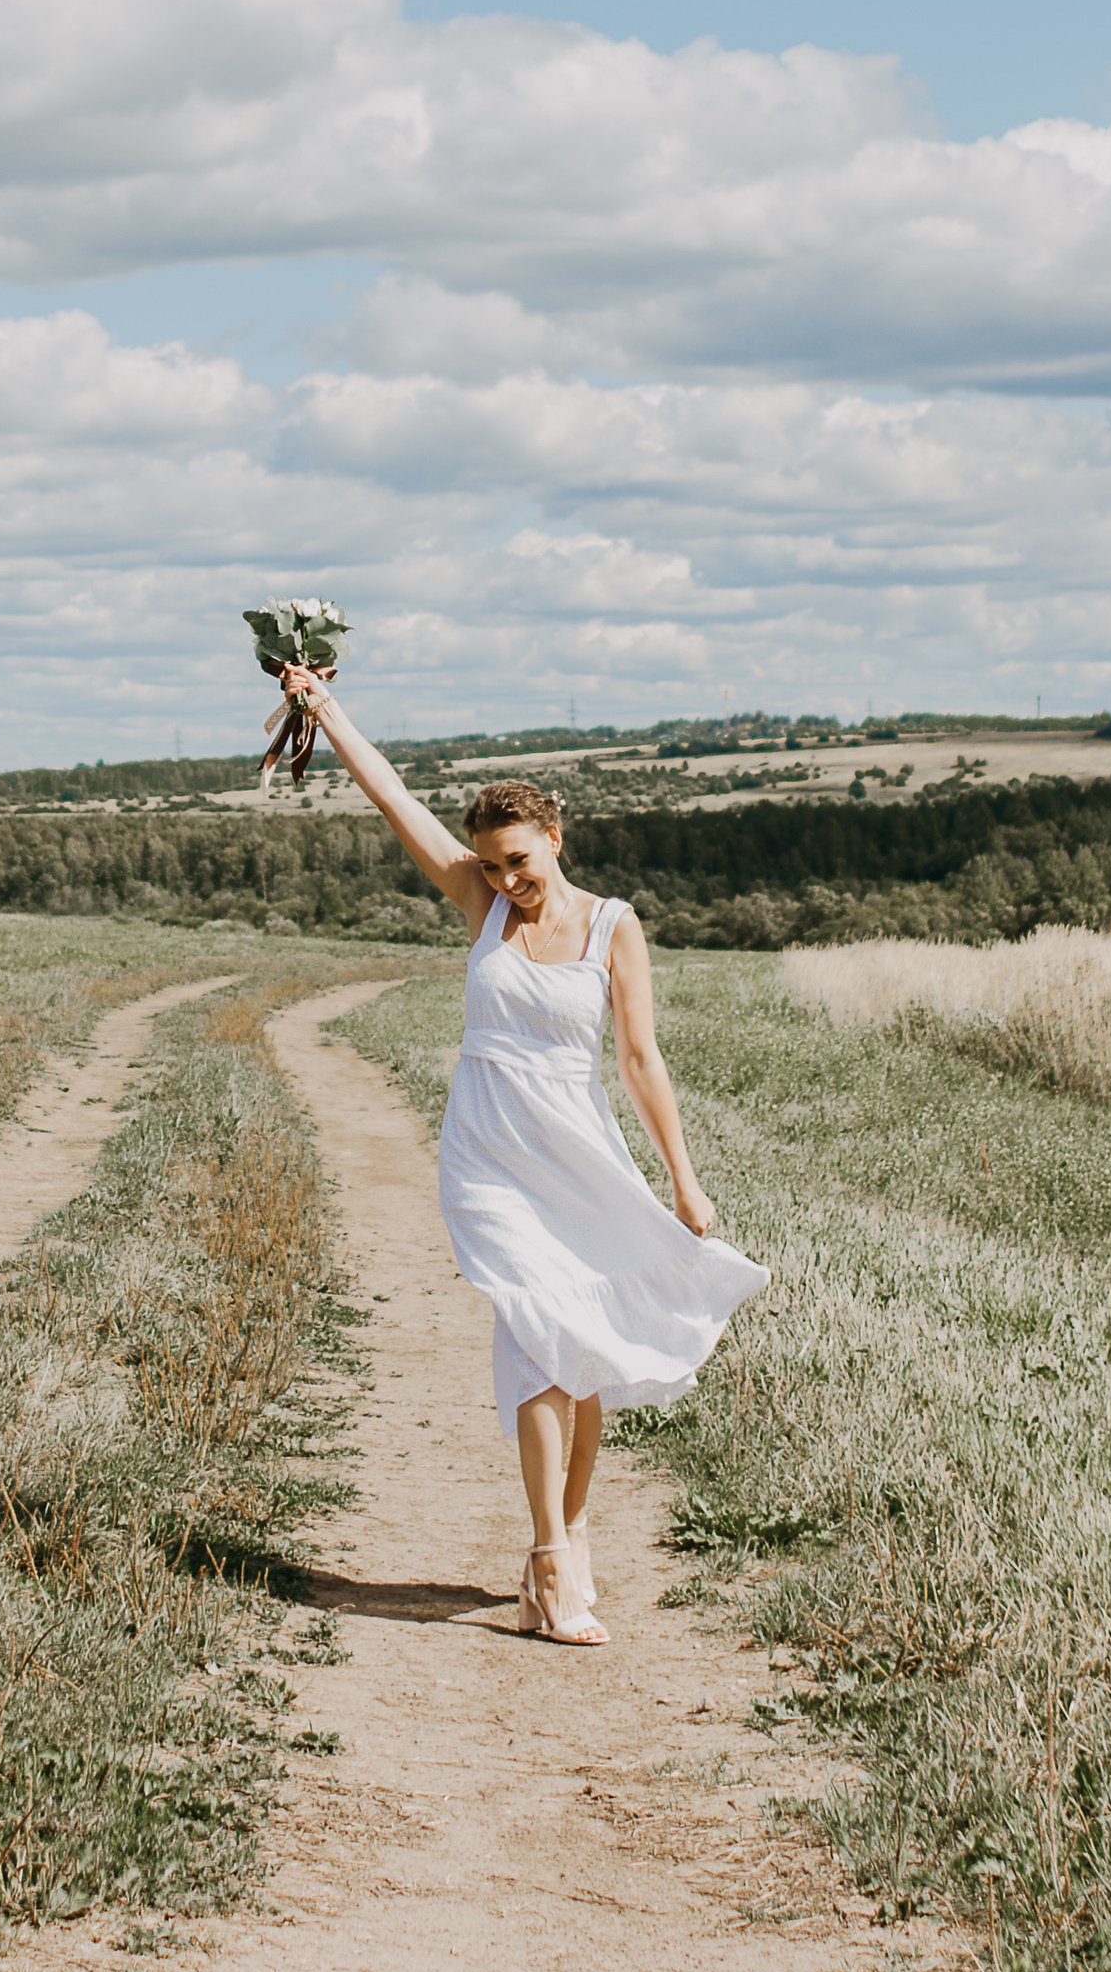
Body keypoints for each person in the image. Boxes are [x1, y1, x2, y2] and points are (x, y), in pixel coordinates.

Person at [276, 664, 768, 1649]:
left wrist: (683, 1178)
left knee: (580, 1353)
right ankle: (550, 1565)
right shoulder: (479, 903)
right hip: (489, 1154)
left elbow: (638, 1061)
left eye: (518, 862)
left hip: (574, 1152)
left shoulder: (613, 927)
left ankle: (567, 1535)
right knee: (541, 1330)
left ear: (555, 838)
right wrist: (323, 711)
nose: (506, 881)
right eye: (491, 865)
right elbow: (393, 796)